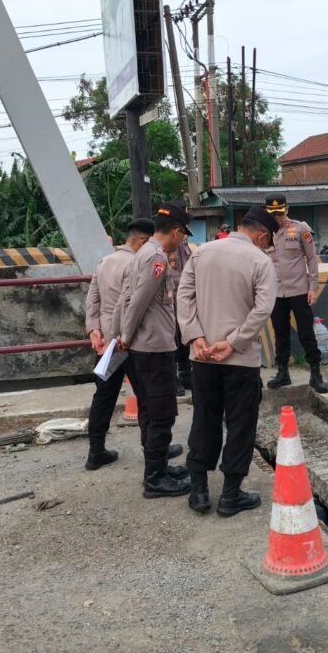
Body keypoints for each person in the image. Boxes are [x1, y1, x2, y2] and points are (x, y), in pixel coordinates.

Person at [177, 206, 278, 516]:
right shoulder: (260, 261)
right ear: (262, 235)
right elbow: (262, 310)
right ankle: (231, 495)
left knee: (204, 419)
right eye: (268, 240)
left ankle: (198, 491)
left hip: (203, 356)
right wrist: (232, 343)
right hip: (240, 360)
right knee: (240, 424)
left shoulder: (201, 252)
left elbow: (183, 296)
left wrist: (196, 338)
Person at [116, 204, 193, 498]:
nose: (181, 241)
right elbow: (138, 300)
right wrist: (125, 334)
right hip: (153, 345)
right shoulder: (157, 258)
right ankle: (156, 478)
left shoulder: (142, 253)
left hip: (145, 344)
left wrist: (124, 334)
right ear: (175, 231)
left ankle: (156, 467)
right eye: (182, 235)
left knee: (150, 408)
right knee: (161, 412)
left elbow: (127, 298)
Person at [84, 218, 170, 471]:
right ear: (143, 240)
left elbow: (93, 299)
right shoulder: (138, 263)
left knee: (103, 396)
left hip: (108, 345)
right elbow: (133, 304)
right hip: (130, 341)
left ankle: (95, 451)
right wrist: (124, 336)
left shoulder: (104, 262)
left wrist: (94, 330)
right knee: (147, 397)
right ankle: (153, 452)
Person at [264, 193, 328, 394]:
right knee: (281, 334)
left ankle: (315, 373)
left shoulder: (301, 229)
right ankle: (283, 372)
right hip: (275, 293)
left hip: (300, 290)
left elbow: (311, 260)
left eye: (280, 213)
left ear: (287, 209)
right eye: (273, 214)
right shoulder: (263, 234)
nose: (277, 218)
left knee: (306, 333)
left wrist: (313, 288)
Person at [165, 214, 193, 397]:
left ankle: (185, 374)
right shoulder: (164, 245)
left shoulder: (183, 243)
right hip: (169, 297)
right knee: (171, 339)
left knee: (184, 337)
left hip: (183, 298)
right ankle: (172, 378)